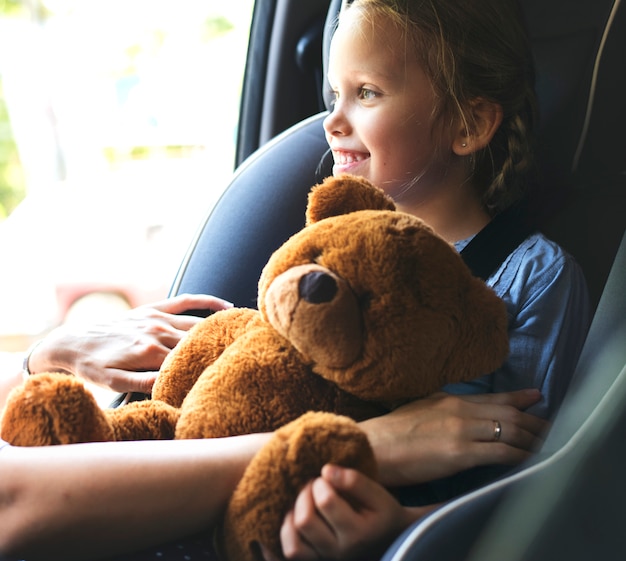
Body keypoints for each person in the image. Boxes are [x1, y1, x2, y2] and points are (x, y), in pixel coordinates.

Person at [0, 0, 589, 558]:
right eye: (336, 93)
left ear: (469, 123)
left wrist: (399, 526)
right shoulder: (311, 236)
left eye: (367, 93)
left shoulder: (528, 273)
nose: (331, 121)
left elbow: (524, 487)